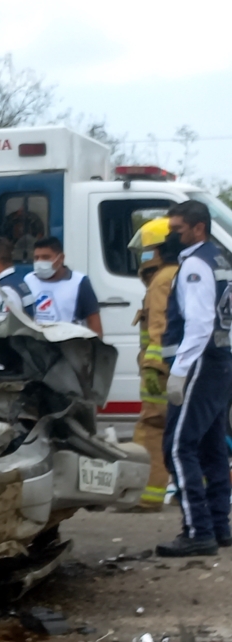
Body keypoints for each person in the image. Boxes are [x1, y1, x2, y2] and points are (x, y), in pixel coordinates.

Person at [157, 200, 232, 557]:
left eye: (177, 229)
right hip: (219, 362)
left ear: (198, 228)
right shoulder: (220, 259)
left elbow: (200, 323)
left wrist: (181, 370)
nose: (172, 236)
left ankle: (198, 530)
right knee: (213, 446)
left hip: (200, 364)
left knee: (178, 445)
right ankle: (219, 525)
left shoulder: (195, 265)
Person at [127, 218, 179, 512]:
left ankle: (148, 496)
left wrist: (153, 368)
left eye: (146, 250)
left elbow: (158, 328)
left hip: (160, 370)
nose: (142, 257)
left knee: (152, 427)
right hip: (177, 368)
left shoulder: (161, 280)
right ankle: (192, 490)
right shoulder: (178, 273)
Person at [23, 236, 103, 334]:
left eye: (46, 257)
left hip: (68, 345)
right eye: (36, 258)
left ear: (61, 258)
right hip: (36, 345)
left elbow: (93, 321)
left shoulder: (79, 282)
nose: (40, 262)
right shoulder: (28, 281)